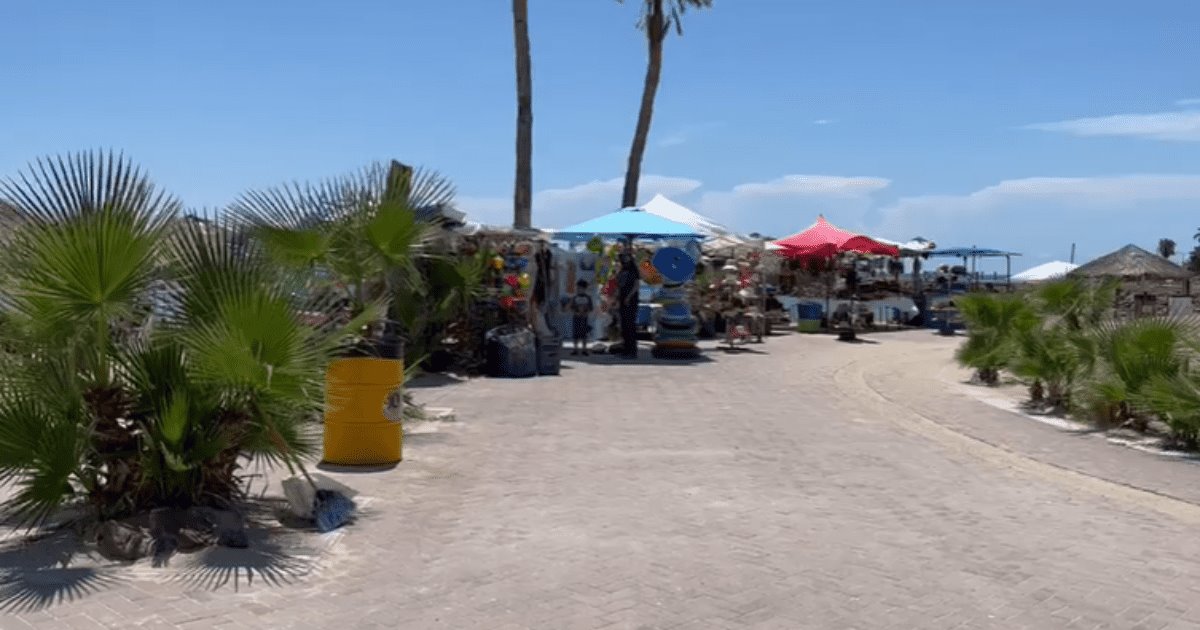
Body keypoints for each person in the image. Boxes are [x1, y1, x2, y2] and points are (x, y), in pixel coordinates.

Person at [616, 251, 640, 358]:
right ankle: (625, 349)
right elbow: (618, 284)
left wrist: (629, 297)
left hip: (630, 300)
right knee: (624, 325)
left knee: (630, 325)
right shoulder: (622, 270)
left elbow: (636, 285)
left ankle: (632, 350)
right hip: (622, 298)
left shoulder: (633, 271)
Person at [567, 279, 594, 355]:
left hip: (584, 319)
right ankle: (575, 349)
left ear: (585, 289)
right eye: (578, 288)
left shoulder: (588, 298)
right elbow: (571, 308)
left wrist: (586, 313)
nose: (579, 290)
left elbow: (590, 308)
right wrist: (575, 312)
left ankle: (584, 349)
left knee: (584, 335)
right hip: (576, 318)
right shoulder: (574, 298)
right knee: (575, 334)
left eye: (581, 288)